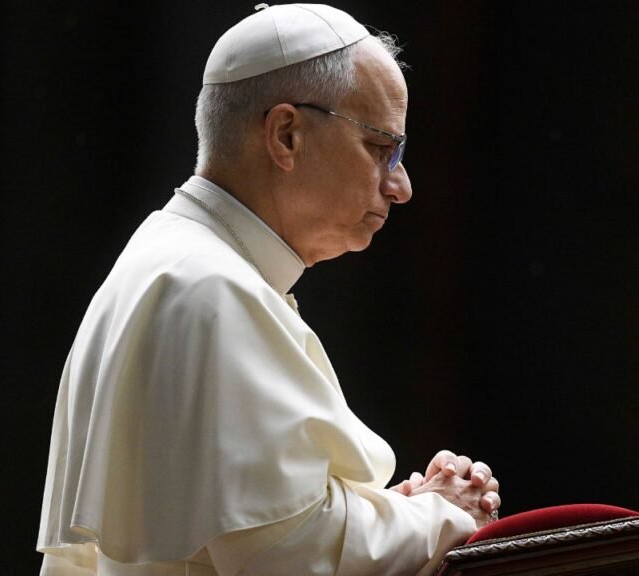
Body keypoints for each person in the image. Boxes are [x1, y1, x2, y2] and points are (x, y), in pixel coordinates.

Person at [35, 4, 501, 575]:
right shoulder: (210, 289)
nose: (399, 186)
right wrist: (441, 517)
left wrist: (387, 510)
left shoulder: (171, 258)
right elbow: (292, 556)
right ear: (286, 135)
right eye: (382, 148)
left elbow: (253, 526)